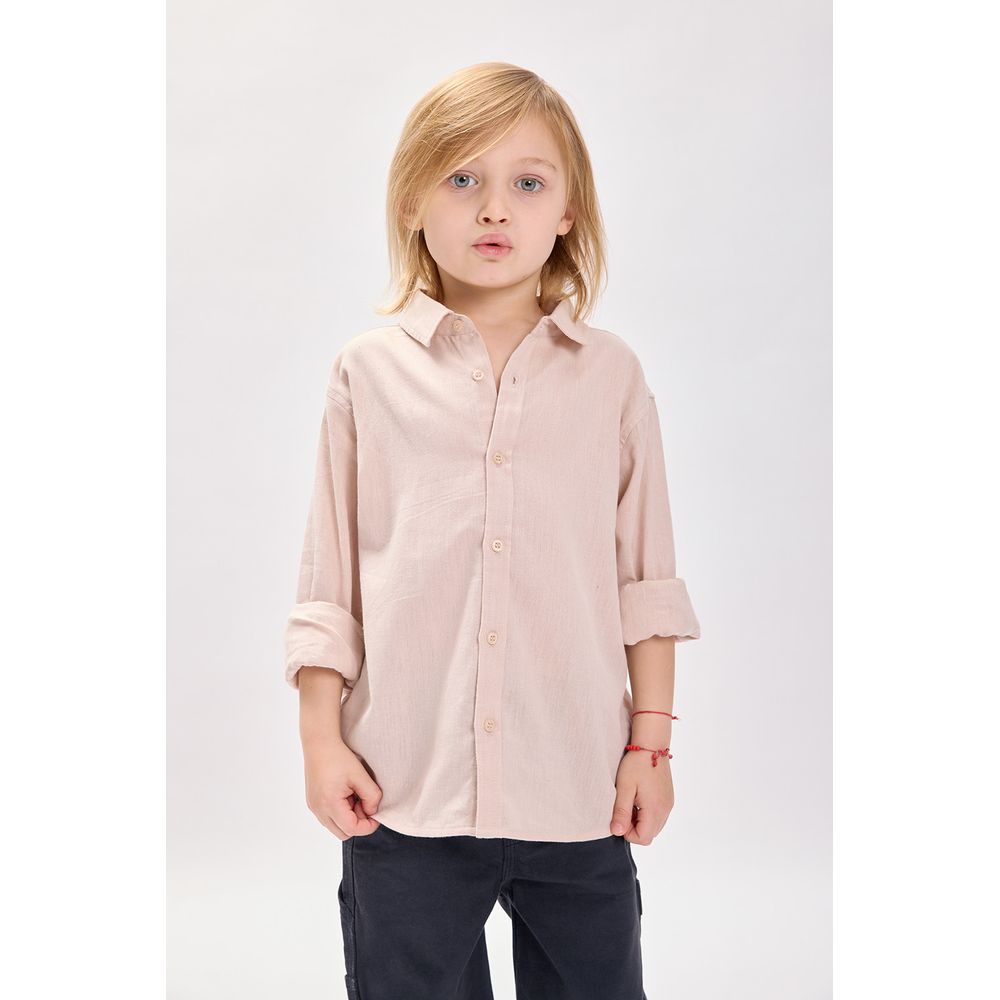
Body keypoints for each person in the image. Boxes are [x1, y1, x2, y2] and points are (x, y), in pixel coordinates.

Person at [284, 61, 701, 1000]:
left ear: (568, 211)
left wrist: (650, 748)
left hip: (579, 786)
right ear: (412, 202)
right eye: (462, 177)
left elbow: (647, 582)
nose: (493, 208)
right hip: (403, 791)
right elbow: (330, 581)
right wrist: (320, 739)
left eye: (529, 182)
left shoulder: (612, 378)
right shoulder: (367, 374)